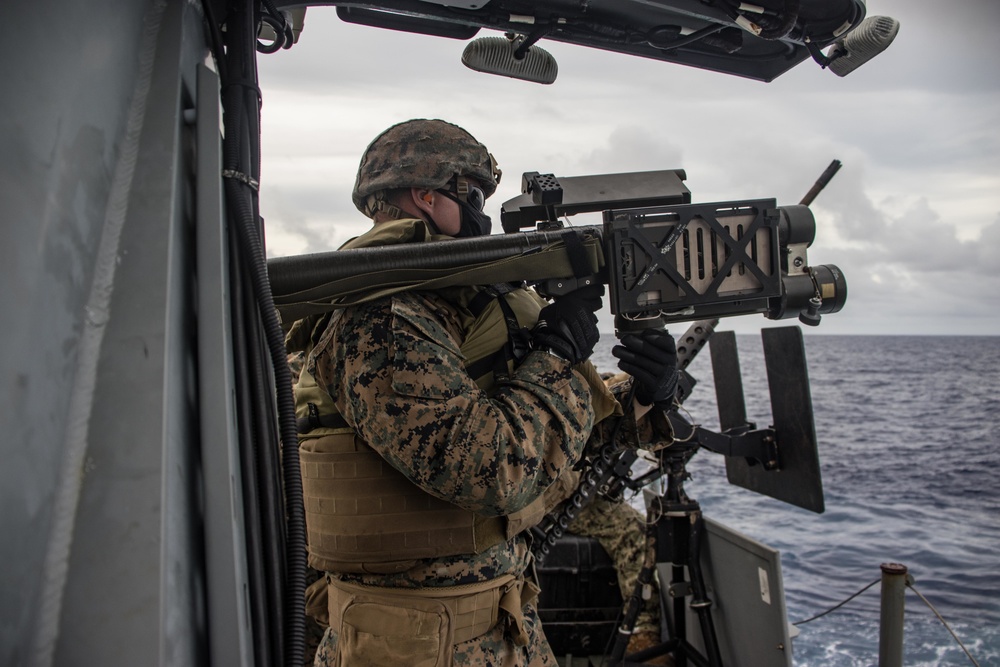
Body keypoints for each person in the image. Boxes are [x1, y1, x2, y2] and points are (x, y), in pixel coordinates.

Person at [285, 118, 678, 666]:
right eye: (471, 196)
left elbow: (543, 433)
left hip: (497, 621)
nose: (482, 217)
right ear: (424, 195)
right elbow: (494, 468)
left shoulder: (446, 303)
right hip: (412, 642)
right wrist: (555, 356)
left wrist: (644, 394)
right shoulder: (380, 315)